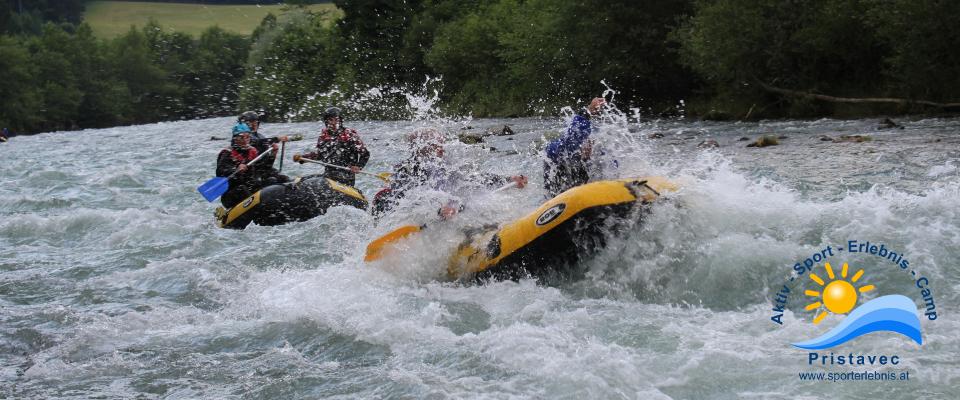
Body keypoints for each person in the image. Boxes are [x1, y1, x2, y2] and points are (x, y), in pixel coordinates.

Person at [372, 129, 527, 218]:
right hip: (418, 221)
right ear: (421, 148)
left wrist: (508, 180)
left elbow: (473, 180)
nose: (442, 149)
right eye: (436, 145)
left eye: (441, 144)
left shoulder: (446, 166)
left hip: (446, 218)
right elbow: (408, 202)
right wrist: (437, 211)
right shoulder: (406, 170)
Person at [543, 97, 605, 197]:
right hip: (558, 173)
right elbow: (574, 131)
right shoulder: (565, 148)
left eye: (591, 143)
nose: (588, 147)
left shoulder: (597, 153)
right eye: (586, 143)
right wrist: (589, 110)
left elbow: (612, 167)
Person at [295, 107, 370, 187]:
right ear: (326, 121)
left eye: (336, 120)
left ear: (340, 121)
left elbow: (365, 154)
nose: (333, 123)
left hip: (346, 178)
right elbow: (320, 155)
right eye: (331, 120)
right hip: (328, 175)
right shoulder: (323, 136)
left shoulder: (349, 134)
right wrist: (303, 158)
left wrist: (358, 166)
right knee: (302, 182)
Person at [233, 111, 290, 185]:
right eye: (251, 122)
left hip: (263, 170)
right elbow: (256, 142)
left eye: (255, 122)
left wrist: (273, 154)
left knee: (284, 178)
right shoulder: (238, 139)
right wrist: (276, 139)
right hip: (249, 173)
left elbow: (267, 165)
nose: (254, 125)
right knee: (271, 181)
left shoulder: (261, 136)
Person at [216, 129, 262, 208]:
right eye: (242, 137)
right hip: (231, 194)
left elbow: (263, 169)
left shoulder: (252, 151)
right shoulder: (227, 153)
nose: (245, 140)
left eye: (247, 137)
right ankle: (258, 208)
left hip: (249, 188)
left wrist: (272, 155)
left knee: (265, 182)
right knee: (242, 189)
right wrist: (236, 169)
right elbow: (220, 171)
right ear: (235, 138)